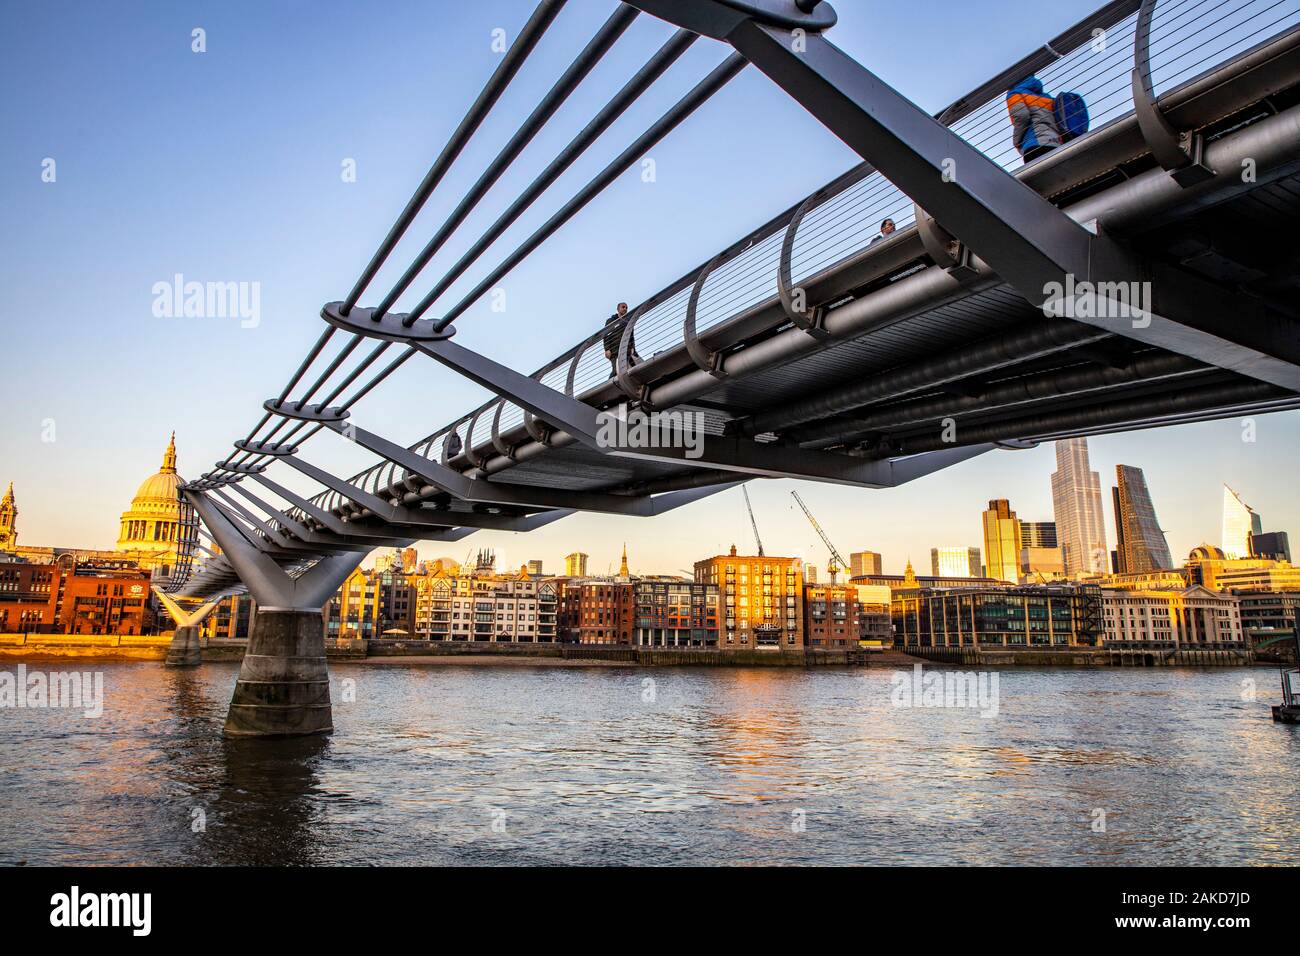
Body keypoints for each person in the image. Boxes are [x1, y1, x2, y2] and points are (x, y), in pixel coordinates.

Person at [1006, 76, 1061, 162]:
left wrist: (1017, 141)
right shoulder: (1047, 97)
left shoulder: (1015, 93)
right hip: (1056, 142)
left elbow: (1022, 116)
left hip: (1035, 144)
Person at [602, 302, 639, 377]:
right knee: (616, 371)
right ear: (618, 309)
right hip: (615, 350)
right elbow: (605, 335)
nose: (625, 309)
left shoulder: (628, 321)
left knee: (634, 367)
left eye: (626, 307)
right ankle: (610, 386)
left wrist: (633, 348)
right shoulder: (611, 320)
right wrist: (607, 349)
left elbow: (631, 336)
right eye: (623, 307)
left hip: (627, 349)